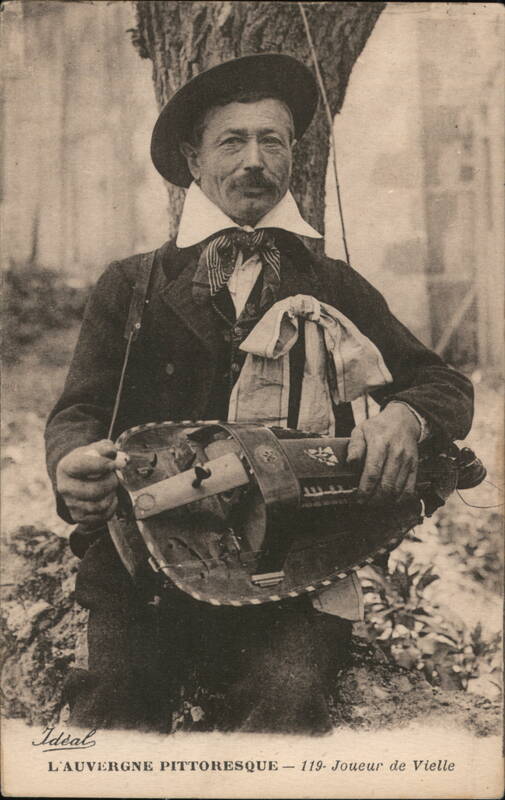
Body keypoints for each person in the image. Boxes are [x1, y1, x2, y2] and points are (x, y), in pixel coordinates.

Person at [45, 54, 473, 734]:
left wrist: (406, 416)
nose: (253, 160)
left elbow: (441, 383)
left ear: (293, 158)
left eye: (270, 140)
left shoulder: (333, 283)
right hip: (146, 564)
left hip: (290, 568)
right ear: (193, 159)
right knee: (114, 709)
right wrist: (72, 463)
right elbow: (79, 412)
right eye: (231, 141)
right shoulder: (132, 285)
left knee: (286, 703)